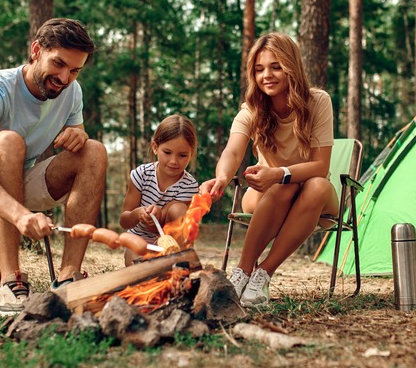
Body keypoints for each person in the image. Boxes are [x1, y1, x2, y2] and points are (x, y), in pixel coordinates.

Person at [0, 18, 108, 316]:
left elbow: (77, 141)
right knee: (8, 142)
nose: (65, 78)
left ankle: (68, 278)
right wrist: (20, 214)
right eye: (59, 64)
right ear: (36, 49)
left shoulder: (72, 92)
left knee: (94, 150)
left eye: (75, 70)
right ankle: (10, 280)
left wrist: (79, 135)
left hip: (17, 180)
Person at [199, 32, 337, 308]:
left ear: (291, 66)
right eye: (259, 69)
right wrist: (223, 176)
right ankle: (242, 272)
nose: (267, 75)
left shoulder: (318, 102)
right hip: (267, 195)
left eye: (276, 66)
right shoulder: (252, 108)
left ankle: (263, 273)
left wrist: (280, 172)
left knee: (314, 184)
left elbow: (320, 167)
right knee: (282, 186)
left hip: (314, 197)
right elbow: (233, 151)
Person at [119, 114, 199, 266]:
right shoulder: (141, 175)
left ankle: (178, 262)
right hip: (140, 239)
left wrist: (160, 214)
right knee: (138, 270)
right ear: (155, 147)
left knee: (179, 209)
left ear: (191, 154)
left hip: (170, 243)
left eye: (182, 155)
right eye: (167, 152)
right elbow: (124, 220)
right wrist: (137, 214)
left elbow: (176, 222)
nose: (174, 161)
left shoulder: (189, 186)